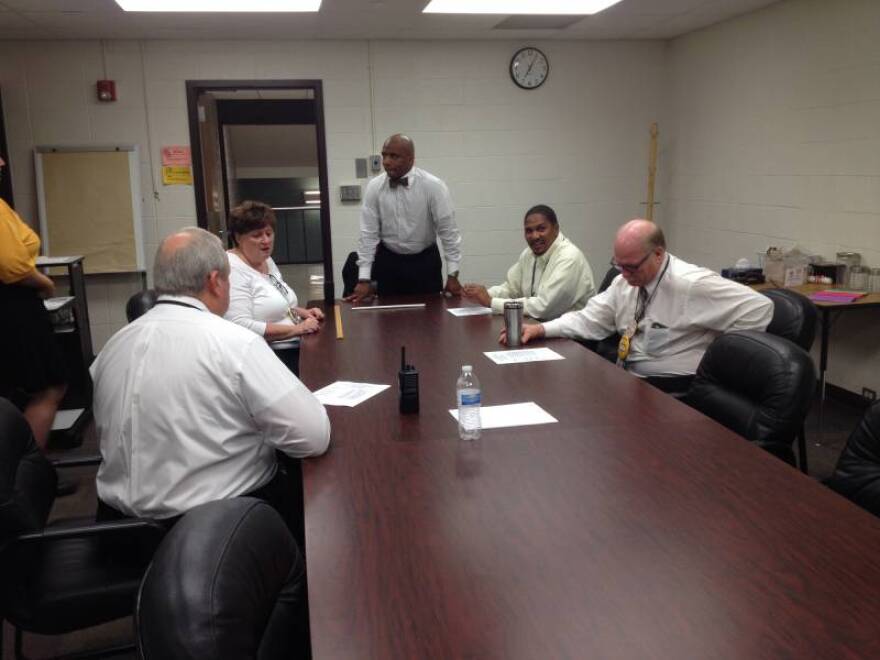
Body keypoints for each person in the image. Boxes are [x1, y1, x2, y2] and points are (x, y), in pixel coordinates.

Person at [91, 227, 330, 528]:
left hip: (115, 529)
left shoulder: (112, 346)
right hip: (218, 530)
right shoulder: (235, 342)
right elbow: (313, 437)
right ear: (216, 281)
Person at [503, 219, 774, 394]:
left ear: (658, 254)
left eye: (631, 267)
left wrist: (715, 355)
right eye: (619, 265)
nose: (625, 274)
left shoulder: (691, 284)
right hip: (632, 381)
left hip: (676, 390)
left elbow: (761, 309)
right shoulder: (625, 282)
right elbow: (589, 319)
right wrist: (541, 329)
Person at [344, 134, 463, 302]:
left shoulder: (433, 186)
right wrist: (364, 279)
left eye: (394, 156)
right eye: (384, 155)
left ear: (410, 159)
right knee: (387, 321)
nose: (386, 161)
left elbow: (449, 232)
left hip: (425, 263)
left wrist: (452, 275)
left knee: (432, 320)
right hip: (389, 262)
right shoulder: (374, 187)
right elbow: (368, 234)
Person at [0, 155, 67, 450]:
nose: (3, 163)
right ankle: (24, 470)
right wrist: (45, 283)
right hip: (13, 307)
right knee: (49, 386)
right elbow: (11, 265)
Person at [461, 204, 595, 320]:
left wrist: (491, 302)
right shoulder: (529, 254)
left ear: (556, 229)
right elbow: (511, 288)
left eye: (541, 229)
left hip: (575, 341)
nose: (535, 236)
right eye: (529, 231)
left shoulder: (569, 257)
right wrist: (481, 294)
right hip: (541, 328)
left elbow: (543, 307)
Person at [225, 200, 324, 342]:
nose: (265, 240)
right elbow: (239, 325)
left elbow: (277, 305)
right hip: (269, 352)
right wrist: (297, 329)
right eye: (257, 235)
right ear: (238, 237)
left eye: (269, 233)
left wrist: (302, 313)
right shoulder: (232, 269)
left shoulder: (266, 259)